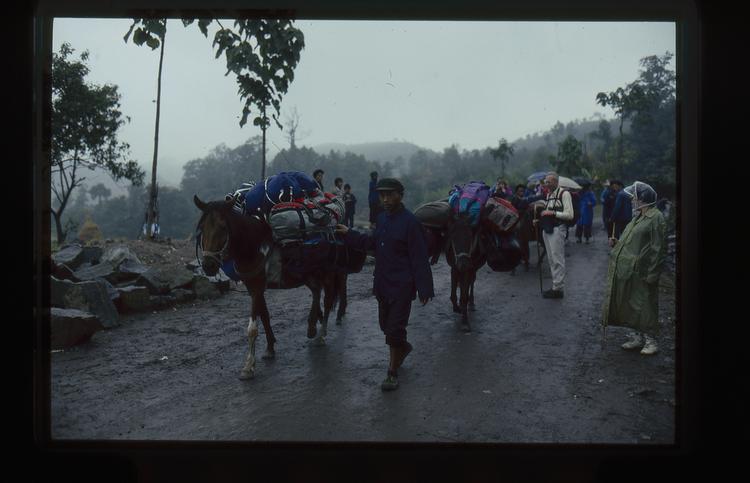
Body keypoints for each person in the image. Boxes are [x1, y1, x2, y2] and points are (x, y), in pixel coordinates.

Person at [335, 178, 434, 391]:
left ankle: (391, 372)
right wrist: (348, 233)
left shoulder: (410, 222)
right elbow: (371, 243)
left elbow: (419, 257)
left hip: (403, 286)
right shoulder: (382, 219)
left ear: (401, 195)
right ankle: (403, 348)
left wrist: (424, 288)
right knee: (385, 326)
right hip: (382, 283)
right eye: (382, 195)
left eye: (390, 194)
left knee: (394, 329)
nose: (385, 199)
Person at [602, 181, 666, 355]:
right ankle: (637, 337)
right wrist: (617, 243)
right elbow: (629, 240)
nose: (631, 201)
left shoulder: (655, 217)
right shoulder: (637, 217)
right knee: (631, 303)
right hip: (630, 269)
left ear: (643, 199)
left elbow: (658, 248)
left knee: (645, 304)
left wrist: (653, 273)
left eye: (634, 198)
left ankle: (651, 341)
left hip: (644, 270)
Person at [535, 172, 574, 299]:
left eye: (549, 181)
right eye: (545, 182)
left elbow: (569, 215)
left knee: (557, 259)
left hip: (558, 229)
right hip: (548, 229)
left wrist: (552, 213)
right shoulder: (549, 195)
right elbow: (547, 213)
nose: (546, 184)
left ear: (556, 182)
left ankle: (558, 288)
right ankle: (555, 286)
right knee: (551, 259)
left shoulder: (564, 193)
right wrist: (539, 220)